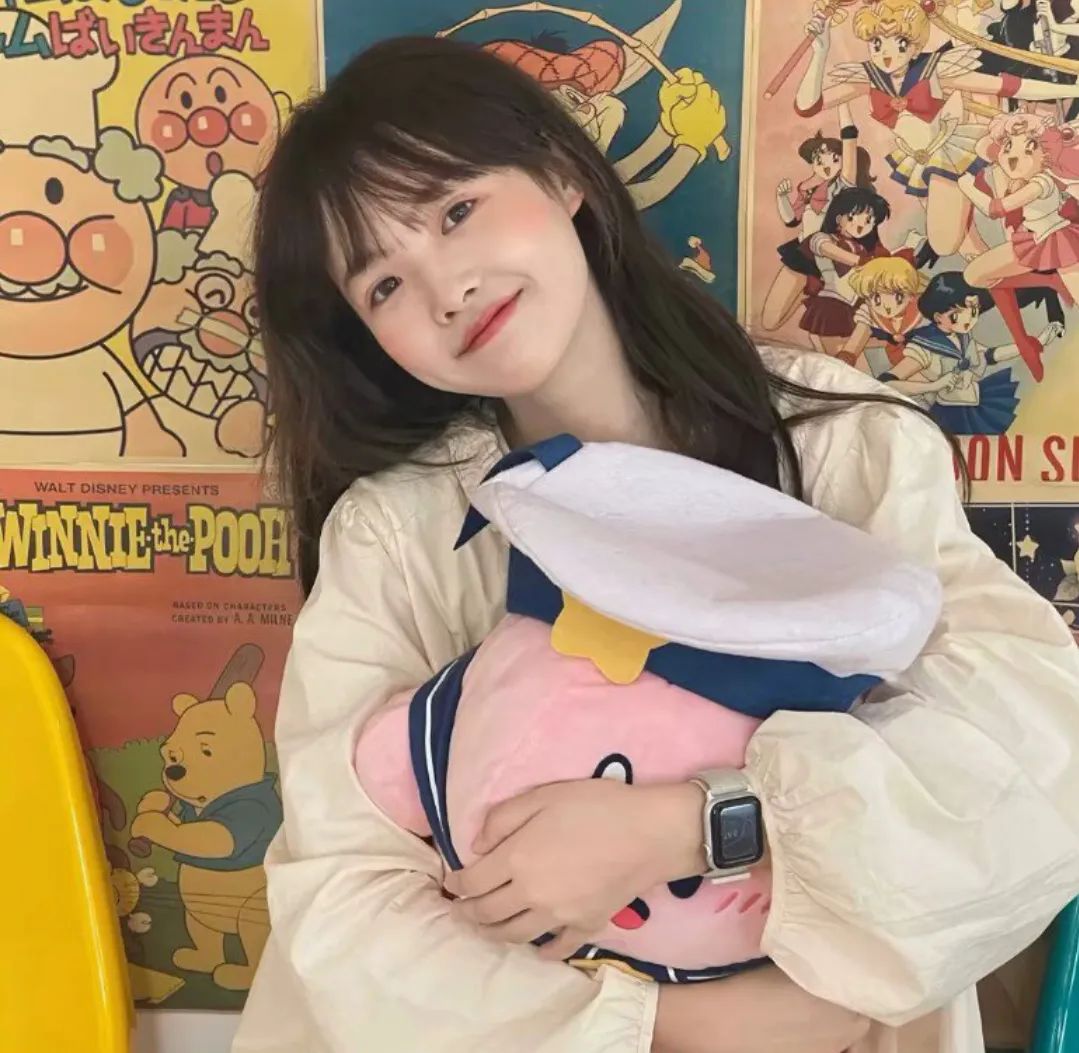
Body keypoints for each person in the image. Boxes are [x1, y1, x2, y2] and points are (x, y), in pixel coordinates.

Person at [235, 35, 1079, 1053]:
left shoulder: (840, 442)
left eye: (455, 211)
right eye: (382, 286)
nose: (446, 288)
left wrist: (692, 823)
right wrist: (670, 1025)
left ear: (561, 173)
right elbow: (346, 897)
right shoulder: (397, 533)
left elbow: (1031, 755)